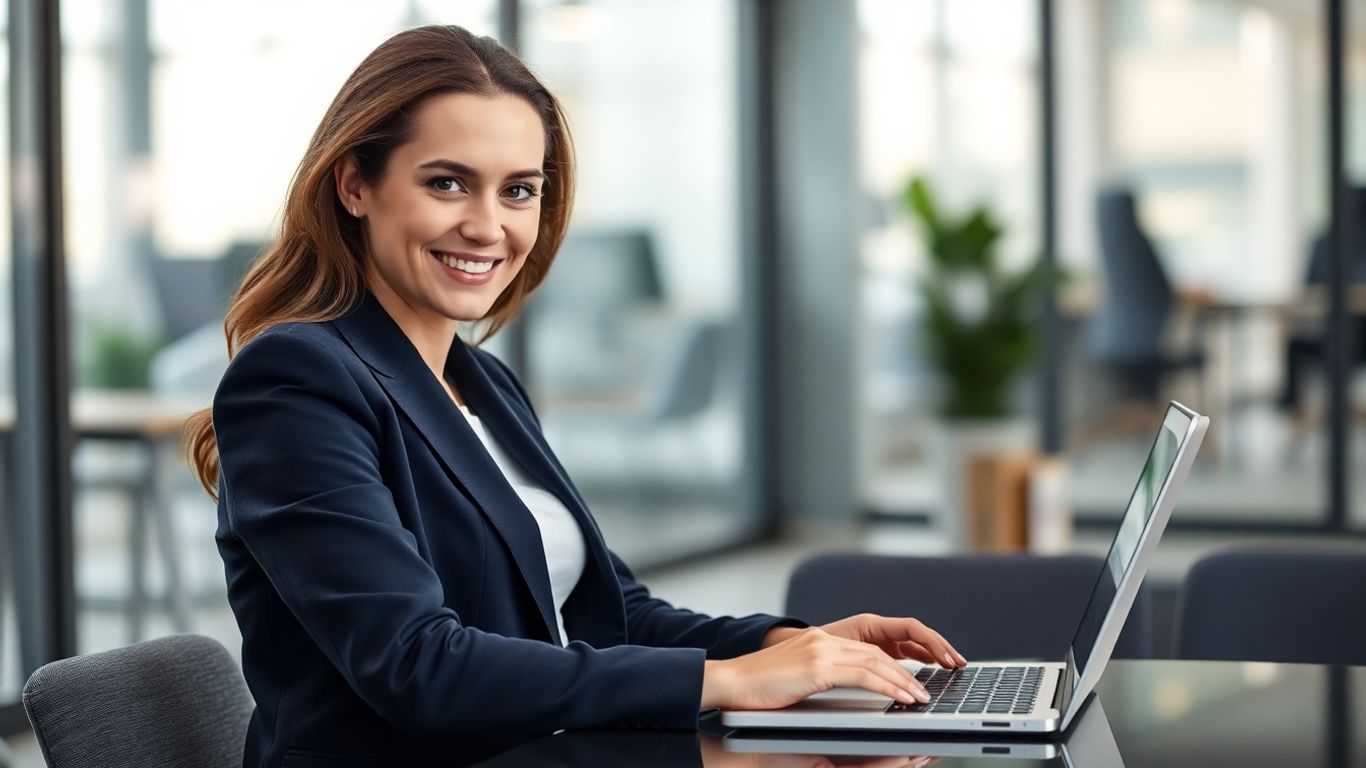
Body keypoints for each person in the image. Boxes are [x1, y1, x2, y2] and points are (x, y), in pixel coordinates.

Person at [186, 25, 965, 768]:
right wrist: (722, 684)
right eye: (447, 182)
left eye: (518, 190)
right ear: (355, 184)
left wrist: (786, 647)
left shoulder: (482, 382)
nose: (488, 226)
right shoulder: (296, 379)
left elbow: (610, 613)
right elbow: (415, 665)